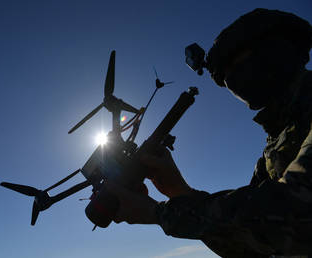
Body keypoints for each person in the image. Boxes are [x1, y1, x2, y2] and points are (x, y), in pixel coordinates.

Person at [105, 8, 312, 257]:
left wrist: (157, 213)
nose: (233, 83)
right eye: (226, 79)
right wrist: (179, 190)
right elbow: (248, 244)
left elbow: (297, 214)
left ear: (273, 54)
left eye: (236, 66)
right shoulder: (279, 138)